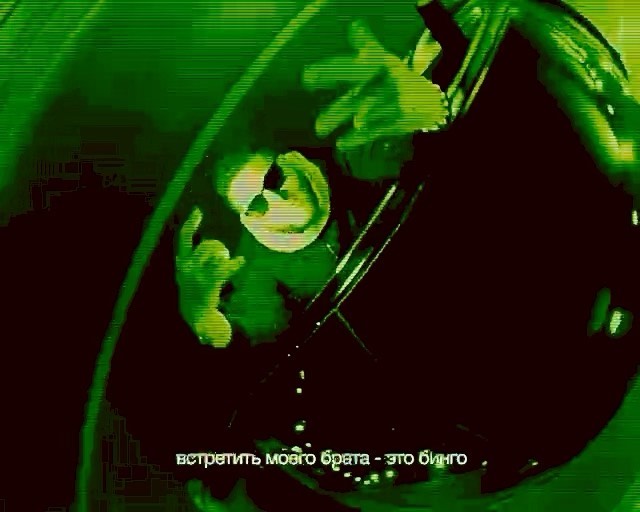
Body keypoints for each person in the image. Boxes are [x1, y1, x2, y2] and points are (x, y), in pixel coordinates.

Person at [163, 0, 640, 511]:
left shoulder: (359, 154)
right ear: (247, 222)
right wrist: (203, 318)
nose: (274, 199)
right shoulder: (258, 272)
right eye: (255, 204)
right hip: (436, 400)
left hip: (520, 321)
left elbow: (437, 158)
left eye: (273, 178)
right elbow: (247, 345)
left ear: (294, 160)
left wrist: (437, 111)